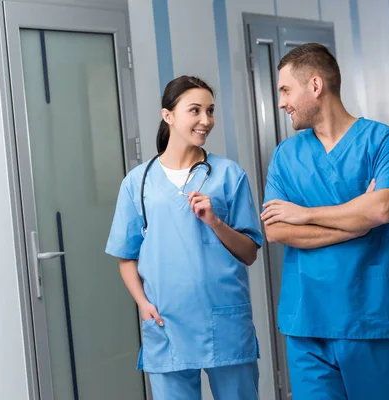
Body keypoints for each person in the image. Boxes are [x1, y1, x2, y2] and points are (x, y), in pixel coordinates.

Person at [261, 43, 389, 399]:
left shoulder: (383, 141)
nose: (282, 102)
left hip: (372, 316)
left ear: (315, 86)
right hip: (308, 322)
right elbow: (276, 229)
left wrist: (306, 214)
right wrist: (357, 220)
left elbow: (382, 210)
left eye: (286, 90)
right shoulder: (286, 156)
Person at [105, 75, 263, 399]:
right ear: (169, 115)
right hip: (166, 323)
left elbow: (249, 253)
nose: (206, 121)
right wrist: (143, 304)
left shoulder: (229, 175)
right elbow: (126, 255)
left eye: (210, 111)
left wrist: (215, 221)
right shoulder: (138, 183)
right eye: (195, 110)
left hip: (223, 319)